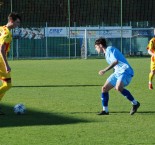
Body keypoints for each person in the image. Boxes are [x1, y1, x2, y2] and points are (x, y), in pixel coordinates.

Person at [94, 37, 140, 115]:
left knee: (118, 87)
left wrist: (104, 70)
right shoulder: (106, 53)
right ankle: (105, 110)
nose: (96, 49)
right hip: (118, 72)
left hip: (125, 71)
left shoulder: (110, 49)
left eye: (96, 47)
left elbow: (115, 61)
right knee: (104, 88)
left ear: (100, 45)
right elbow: (115, 65)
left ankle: (135, 103)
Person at [0, 12, 21, 114]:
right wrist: (6, 64)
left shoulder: (1, 28)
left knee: (6, 84)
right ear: (11, 21)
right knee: (8, 85)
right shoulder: (7, 33)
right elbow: (2, 50)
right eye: (17, 22)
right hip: (0, 60)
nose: (18, 25)